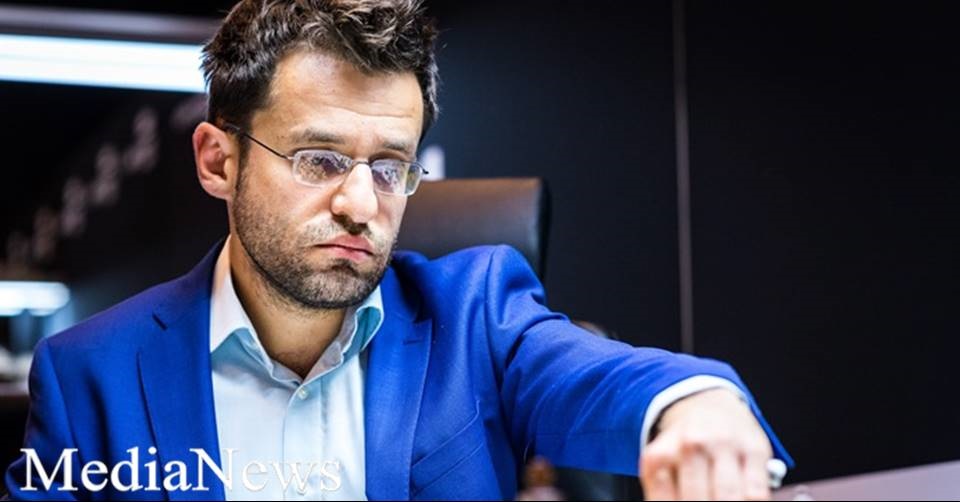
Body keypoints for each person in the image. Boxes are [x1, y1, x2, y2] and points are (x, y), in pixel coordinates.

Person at [4, 0, 791, 500]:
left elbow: (599, 377)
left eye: (389, 167)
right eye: (318, 159)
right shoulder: (90, 374)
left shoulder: (474, 317)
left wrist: (696, 405)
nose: (360, 204)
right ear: (219, 161)